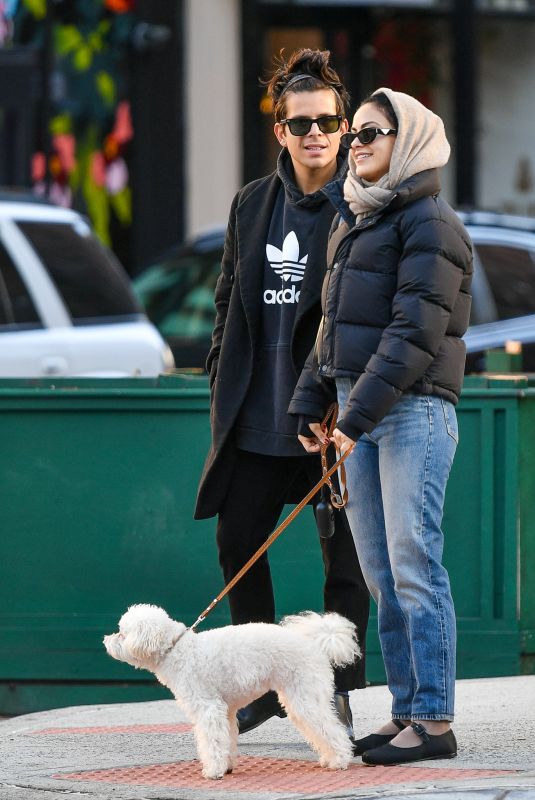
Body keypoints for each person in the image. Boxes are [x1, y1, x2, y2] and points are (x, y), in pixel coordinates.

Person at [290, 87, 472, 764]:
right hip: (359, 416)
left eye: (371, 133)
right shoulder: (357, 219)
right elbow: (332, 330)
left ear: (410, 141)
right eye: (354, 132)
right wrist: (312, 403)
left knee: (412, 565)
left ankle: (433, 720)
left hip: (413, 413)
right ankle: (405, 714)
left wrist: (354, 417)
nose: (355, 143)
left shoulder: (430, 222)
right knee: (379, 576)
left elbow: (413, 332)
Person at [194, 48, 370, 738]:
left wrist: (346, 401)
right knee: (238, 542)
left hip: (327, 418)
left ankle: (340, 691)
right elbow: (228, 299)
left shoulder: (361, 205)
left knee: (344, 564)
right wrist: (218, 367)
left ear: (345, 124)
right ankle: (263, 684)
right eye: (301, 124)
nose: (316, 134)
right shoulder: (251, 204)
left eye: (328, 120)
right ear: (279, 131)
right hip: (255, 414)